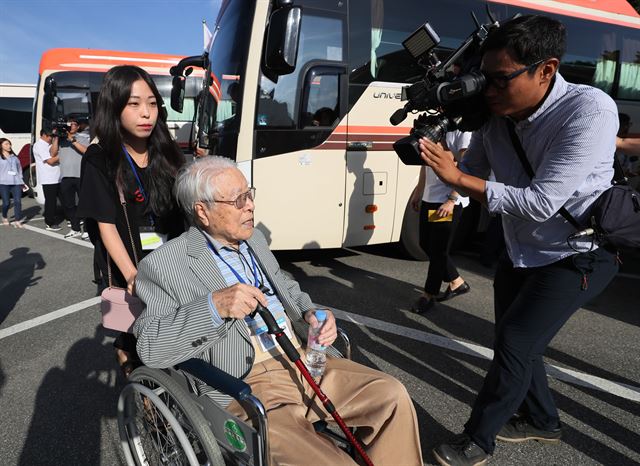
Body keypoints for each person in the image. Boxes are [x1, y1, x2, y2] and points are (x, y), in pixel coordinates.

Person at [133, 156, 423, 466]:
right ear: (202, 211)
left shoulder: (254, 239)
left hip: (306, 360)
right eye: (238, 199)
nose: (250, 206)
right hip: (248, 382)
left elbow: (287, 287)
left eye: (250, 194)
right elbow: (150, 345)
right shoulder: (164, 264)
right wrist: (213, 307)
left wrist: (311, 313)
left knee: (392, 396)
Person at [420, 15, 620, 466]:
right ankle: (543, 421)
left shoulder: (590, 111)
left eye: (499, 79)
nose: (487, 89)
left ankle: (477, 439)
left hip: (577, 252)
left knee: (514, 339)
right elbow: (475, 171)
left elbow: (540, 202)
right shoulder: (496, 116)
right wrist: (444, 159)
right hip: (520, 248)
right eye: (483, 78)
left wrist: (456, 178)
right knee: (519, 344)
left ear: (546, 69)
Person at [77, 65, 185, 376]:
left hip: (169, 256)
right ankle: (139, 373)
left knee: (174, 328)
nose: (146, 113)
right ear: (114, 106)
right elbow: (104, 224)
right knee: (141, 330)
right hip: (131, 259)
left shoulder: (166, 150)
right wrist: (132, 275)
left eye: (152, 103)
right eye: (134, 104)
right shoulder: (100, 157)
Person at [410, 130, 471, 313]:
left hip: (447, 201)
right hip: (431, 198)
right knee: (426, 244)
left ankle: (428, 296)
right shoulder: (436, 128)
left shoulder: (463, 131)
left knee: (437, 251)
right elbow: (425, 165)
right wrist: (418, 192)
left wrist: (452, 200)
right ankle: (457, 282)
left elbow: (466, 166)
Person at [50, 117, 89, 238]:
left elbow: (87, 151)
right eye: (69, 124)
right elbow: (53, 153)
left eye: (74, 124)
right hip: (66, 176)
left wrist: (73, 141)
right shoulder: (60, 139)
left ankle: (88, 230)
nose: (71, 126)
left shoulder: (83, 137)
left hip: (80, 175)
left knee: (85, 204)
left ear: (78, 127)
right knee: (69, 205)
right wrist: (56, 137)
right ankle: (75, 228)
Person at [32, 128, 62, 230]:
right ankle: (49, 222)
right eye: (50, 136)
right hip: (48, 177)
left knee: (64, 199)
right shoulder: (39, 145)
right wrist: (63, 154)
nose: (51, 138)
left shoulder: (49, 144)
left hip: (57, 176)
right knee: (51, 201)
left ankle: (67, 218)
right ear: (44, 135)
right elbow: (50, 161)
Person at [0, 138, 26, 228]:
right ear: (1, 146)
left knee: (18, 201)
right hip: (3, 183)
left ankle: (17, 220)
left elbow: (19, 170)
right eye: (6, 144)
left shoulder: (14, 157)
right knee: (6, 203)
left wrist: (21, 181)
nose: (9, 146)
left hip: (16, 182)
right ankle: (4, 216)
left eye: (9, 144)